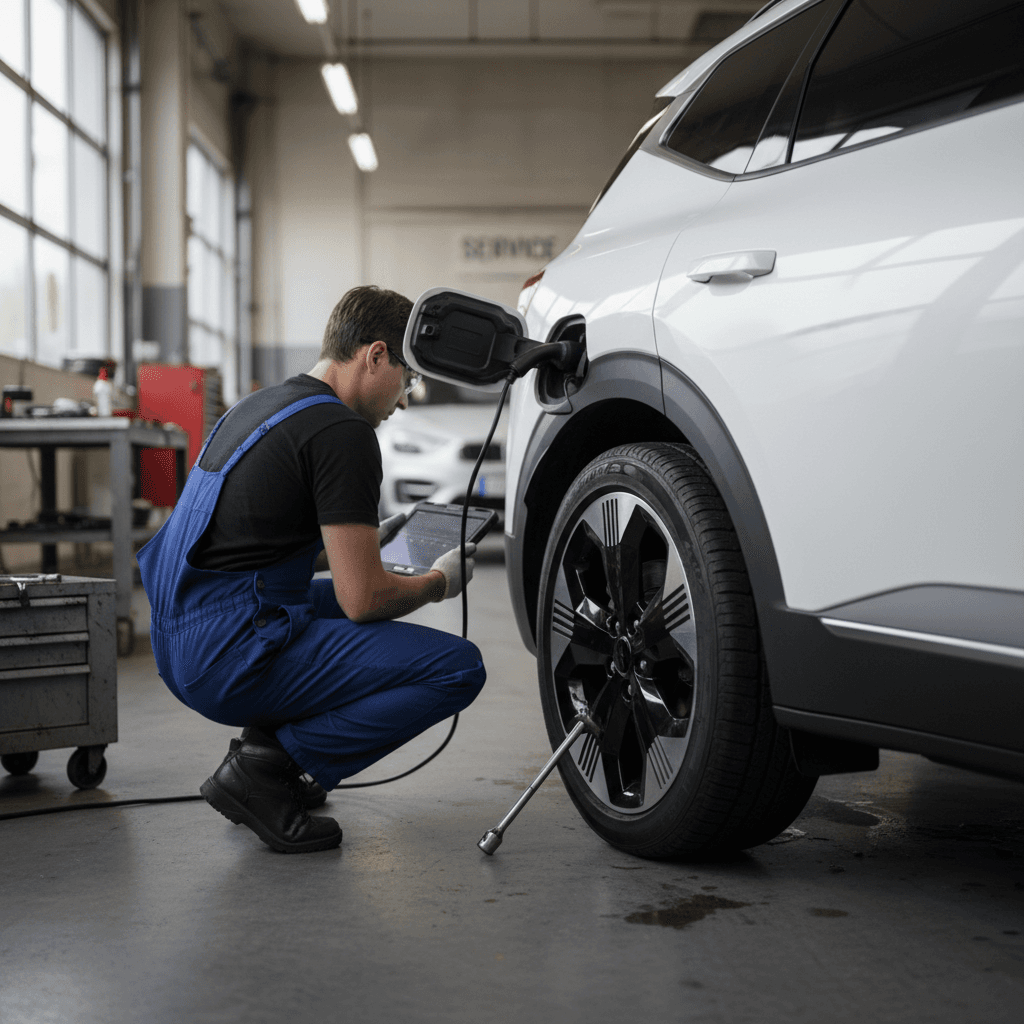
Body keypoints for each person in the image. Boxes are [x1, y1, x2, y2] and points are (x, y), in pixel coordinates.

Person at [138, 286, 486, 854]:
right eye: (409, 379)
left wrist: (363, 542)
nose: (405, 401)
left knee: (320, 595)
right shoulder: (343, 433)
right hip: (225, 655)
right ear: (375, 356)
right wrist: (439, 581)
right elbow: (365, 600)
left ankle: (265, 745)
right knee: (457, 668)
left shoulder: (259, 407)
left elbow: (257, 542)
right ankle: (272, 768)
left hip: (180, 633)